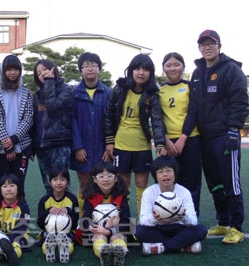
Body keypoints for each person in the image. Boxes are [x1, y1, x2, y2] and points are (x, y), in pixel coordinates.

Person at [190, 30, 249, 244]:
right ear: (199, 48)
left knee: (230, 182)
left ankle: (236, 227)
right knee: (214, 183)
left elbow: (240, 101)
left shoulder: (231, 69)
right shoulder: (197, 73)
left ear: (219, 46)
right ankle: (223, 221)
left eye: (211, 44)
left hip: (225, 135)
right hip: (204, 138)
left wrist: (234, 129)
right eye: (203, 44)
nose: (207, 47)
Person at [103, 54, 166, 215]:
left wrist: (160, 143)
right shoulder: (120, 88)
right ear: (131, 70)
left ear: (151, 73)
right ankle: (123, 223)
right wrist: (110, 141)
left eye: (145, 69)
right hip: (121, 144)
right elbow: (108, 115)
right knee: (122, 185)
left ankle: (142, 221)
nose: (141, 72)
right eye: (137, 68)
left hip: (142, 145)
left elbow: (157, 120)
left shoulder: (152, 93)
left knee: (141, 184)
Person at [135, 155, 207, 255]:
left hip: (178, 228)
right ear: (155, 176)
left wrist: (184, 217)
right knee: (138, 231)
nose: (165, 175)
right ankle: (183, 246)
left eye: (168, 171)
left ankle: (161, 247)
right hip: (158, 228)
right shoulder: (149, 192)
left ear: (175, 173)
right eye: (160, 172)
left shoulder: (184, 192)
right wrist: (155, 218)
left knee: (201, 230)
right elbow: (143, 221)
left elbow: (194, 221)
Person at [158, 52, 202, 216]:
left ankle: (191, 218)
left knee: (191, 181)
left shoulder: (191, 86)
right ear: (163, 69)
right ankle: (170, 216)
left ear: (183, 67)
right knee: (169, 180)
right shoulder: (159, 90)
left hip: (190, 140)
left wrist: (183, 137)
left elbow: (193, 112)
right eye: (168, 65)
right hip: (168, 142)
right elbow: (158, 118)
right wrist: (166, 140)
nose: (172, 68)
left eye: (176, 64)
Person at [71, 52, 112, 212]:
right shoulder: (74, 93)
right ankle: (84, 218)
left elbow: (112, 121)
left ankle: (105, 217)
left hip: (103, 148)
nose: (90, 69)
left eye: (93, 65)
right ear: (81, 70)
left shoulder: (108, 93)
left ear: (99, 69)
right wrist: (78, 147)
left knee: (105, 183)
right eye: (86, 66)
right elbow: (72, 121)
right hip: (83, 148)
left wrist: (109, 144)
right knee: (84, 183)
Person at [0, 55, 33, 190]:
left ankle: (21, 211)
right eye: (9, 69)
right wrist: (8, 146)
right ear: (3, 71)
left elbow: (28, 117)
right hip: (0, 147)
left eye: (16, 69)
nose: (12, 73)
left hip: (21, 146)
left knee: (19, 186)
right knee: (3, 187)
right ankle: (1, 211)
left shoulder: (26, 93)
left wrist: (14, 139)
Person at [76, 161, 130, 266]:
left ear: (116, 179)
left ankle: (119, 252)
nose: (105, 179)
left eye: (109, 176)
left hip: (116, 230)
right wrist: (103, 228)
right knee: (100, 237)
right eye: (101, 176)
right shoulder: (90, 197)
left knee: (117, 237)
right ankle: (103, 252)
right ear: (95, 180)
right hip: (97, 231)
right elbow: (85, 221)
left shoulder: (121, 196)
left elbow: (127, 221)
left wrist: (109, 230)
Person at [32, 59, 73, 193]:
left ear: (53, 69)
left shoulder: (66, 90)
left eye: (45, 69)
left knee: (60, 183)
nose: (42, 74)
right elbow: (34, 120)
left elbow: (53, 106)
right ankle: (50, 212)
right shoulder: (37, 95)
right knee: (48, 184)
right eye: (39, 73)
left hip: (58, 143)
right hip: (41, 145)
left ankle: (65, 212)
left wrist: (49, 82)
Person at [36, 167, 79, 263]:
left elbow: (75, 221)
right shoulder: (44, 200)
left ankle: (64, 251)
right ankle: (49, 252)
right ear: (49, 181)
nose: (59, 183)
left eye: (62, 179)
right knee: (46, 245)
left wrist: (68, 211)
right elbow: (39, 223)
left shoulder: (72, 199)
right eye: (55, 179)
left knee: (68, 244)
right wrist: (48, 212)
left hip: (67, 232)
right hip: (48, 232)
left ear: (68, 181)